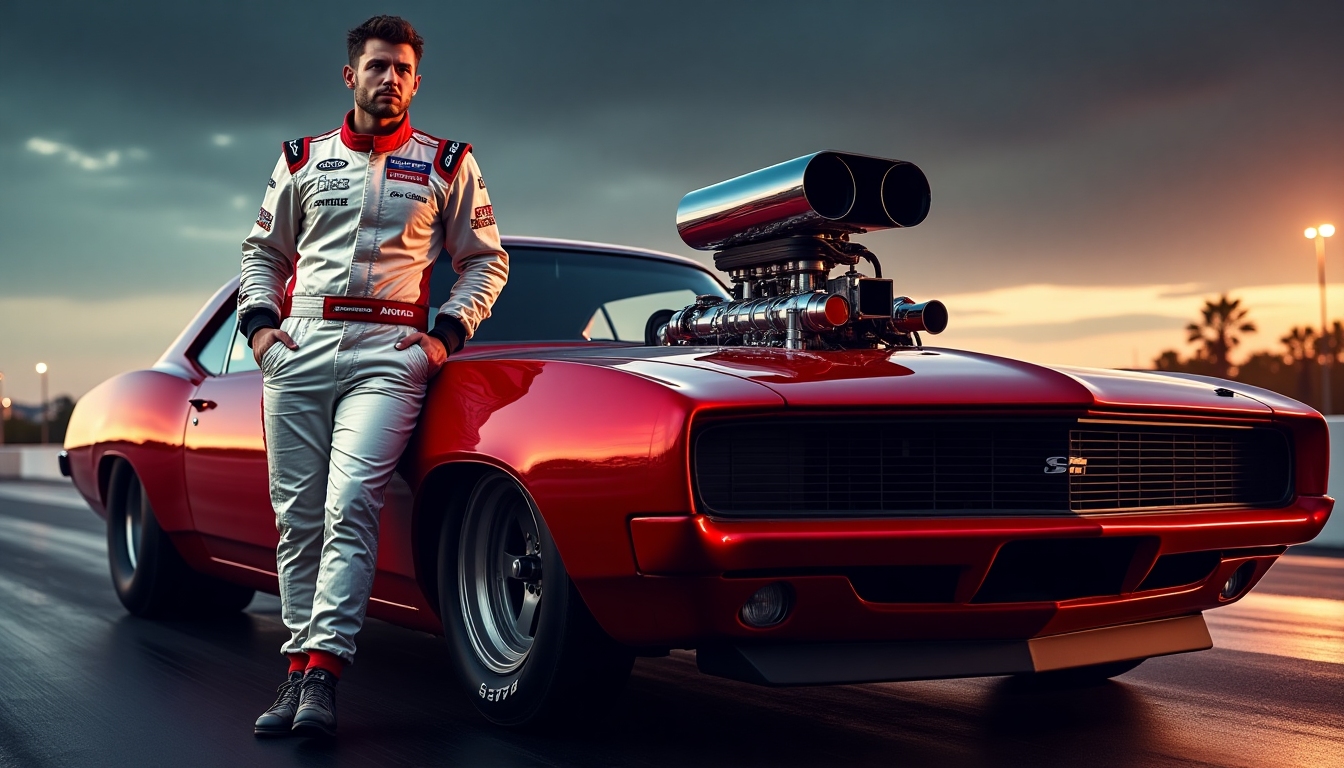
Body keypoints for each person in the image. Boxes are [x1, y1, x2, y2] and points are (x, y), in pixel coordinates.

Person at [238, 15, 508, 738]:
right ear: (350, 75)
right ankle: (294, 673)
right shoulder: (301, 158)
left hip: (391, 355)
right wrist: (263, 333)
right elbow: (262, 252)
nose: (389, 79)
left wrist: (441, 339)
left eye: (402, 69)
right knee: (297, 521)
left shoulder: (449, 162)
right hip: (299, 349)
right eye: (377, 66)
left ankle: (323, 673)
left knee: (349, 505)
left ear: (417, 82)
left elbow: (486, 259)